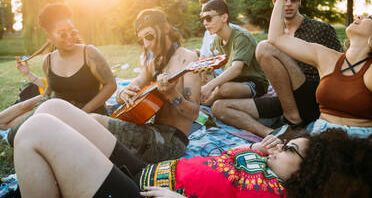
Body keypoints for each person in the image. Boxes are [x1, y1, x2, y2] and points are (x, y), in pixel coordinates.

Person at [14, 111, 372, 197]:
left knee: (36, 130)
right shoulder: (269, 166)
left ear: (311, 176)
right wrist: (251, 149)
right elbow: (224, 165)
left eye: (291, 148)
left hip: (146, 192)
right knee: (58, 108)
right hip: (147, 171)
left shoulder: (275, 193)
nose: (280, 145)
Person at [40, 9, 200, 163]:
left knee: (94, 122)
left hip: (171, 141)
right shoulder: (154, 64)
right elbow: (126, 89)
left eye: (149, 36)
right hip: (151, 130)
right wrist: (122, 94)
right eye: (142, 39)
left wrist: (173, 95)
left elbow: (193, 114)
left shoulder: (188, 59)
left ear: (165, 28)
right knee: (92, 131)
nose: (146, 44)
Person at [212, 0, 342, 137]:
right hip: (285, 99)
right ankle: (275, 135)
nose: (288, 3)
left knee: (264, 47)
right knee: (219, 107)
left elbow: (340, 68)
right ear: (275, 0)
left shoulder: (321, 29)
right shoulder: (276, 32)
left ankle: (293, 121)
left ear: (299, 1)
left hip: (312, 97)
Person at [267, 0, 372, 138]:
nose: (359, 16)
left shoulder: (369, 71)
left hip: (358, 140)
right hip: (320, 134)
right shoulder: (326, 57)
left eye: (367, 18)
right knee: (278, 157)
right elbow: (275, 38)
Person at [1, 3, 117, 144]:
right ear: (49, 37)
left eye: (72, 31)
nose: (69, 36)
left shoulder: (89, 53)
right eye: (62, 33)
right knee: (9, 125)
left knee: (16, 135)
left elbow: (110, 85)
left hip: (89, 115)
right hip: (57, 111)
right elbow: (49, 92)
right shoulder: (48, 61)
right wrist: (34, 106)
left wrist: (82, 113)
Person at [200, 0, 268, 108]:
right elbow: (212, 64)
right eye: (203, 19)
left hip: (254, 82)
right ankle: (202, 102)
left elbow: (236, 69)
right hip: (234, 81)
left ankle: (205, 105)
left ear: (224, 17)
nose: (205, 23)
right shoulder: (217, 40)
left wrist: (209, 86)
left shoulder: (241, 37)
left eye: (208, 18)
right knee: (200, 77)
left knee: (223, 89)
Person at [198, 0, 243, 85]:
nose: (205, 22)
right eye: (203, 16)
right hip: (215, 72)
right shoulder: (208, 33)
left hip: (233, 76)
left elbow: (237, 68)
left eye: (208, 16)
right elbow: (203, 55)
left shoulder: (237, 33)